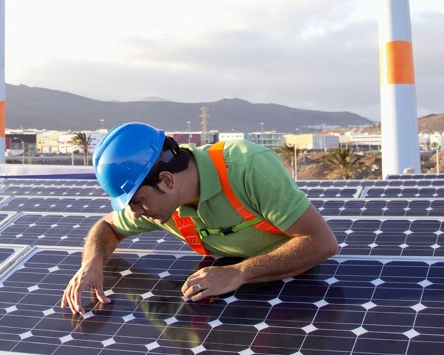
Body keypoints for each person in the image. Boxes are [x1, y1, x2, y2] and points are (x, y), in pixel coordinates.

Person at [60, 122, 338, 315]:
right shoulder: (159, 205)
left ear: (166, 180)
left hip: (301, 293)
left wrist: (239, 273)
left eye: (136, 201)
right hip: (233, 303)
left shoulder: (247, 167)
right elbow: (107, 226)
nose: (134, 213)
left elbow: (321, 243)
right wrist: (92, 262)